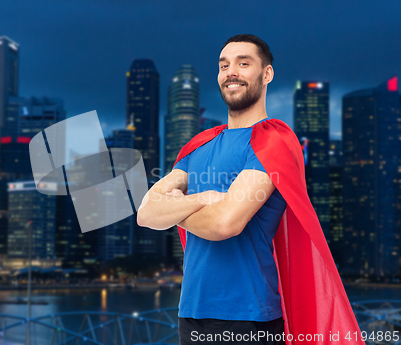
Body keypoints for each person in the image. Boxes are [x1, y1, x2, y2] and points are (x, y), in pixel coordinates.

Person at [137, 34, 365, 345]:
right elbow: (146, 213)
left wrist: (175, 207)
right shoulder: (198, 146)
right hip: (189, 315)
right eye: (224, 65)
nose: (231, 72)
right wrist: (203, 199)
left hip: (248, 318)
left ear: (266, 74)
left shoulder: (274, 142)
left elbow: (225, 223)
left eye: (244, 63)